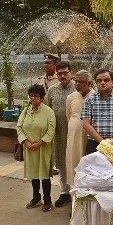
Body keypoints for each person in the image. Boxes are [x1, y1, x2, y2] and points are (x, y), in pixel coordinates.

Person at [16, 84, 56, 212]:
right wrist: (25, 142)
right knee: (34, 174)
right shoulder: (26, 110)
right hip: (29, 148)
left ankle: (48, 200)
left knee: (44, 175)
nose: (33, 98)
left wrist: (39, 143)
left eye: (36, 96)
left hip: (43, 148)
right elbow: (19, 127)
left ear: (42, 98)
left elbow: (51, 131)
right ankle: (36, 198)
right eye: (31, 96)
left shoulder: (48, 112)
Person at [45, 61, 75, 207]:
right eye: (60, 73)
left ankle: (76, 192)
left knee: (75, 162)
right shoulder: (52, 90)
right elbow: (49, 111)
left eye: (65, 73)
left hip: (75, 134)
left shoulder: (78, 87)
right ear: (56, 74)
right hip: (58, 134)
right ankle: (64, 192)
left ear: (71, 73)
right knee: (61, 163)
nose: (63, 76)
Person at [62, 70, 90, 207]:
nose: (78, 84)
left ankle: (87, 202)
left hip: (88, 138)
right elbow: (69, 116)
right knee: (74, 165)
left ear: (89, 83)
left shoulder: (95, 97)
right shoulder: (71, 97)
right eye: (76, 81)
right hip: (74, 138)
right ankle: (75, 203)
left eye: (81, 82)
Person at [82, 69, 113, 154]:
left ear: (112, 82)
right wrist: (103, 142)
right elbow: (86, 124)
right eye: (99, 80)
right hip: (94, 144)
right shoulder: (89, 99)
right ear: (96, 83)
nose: (102, 82)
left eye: (106, 80)